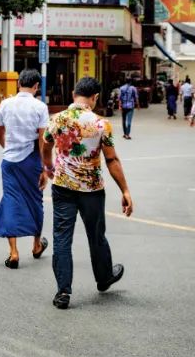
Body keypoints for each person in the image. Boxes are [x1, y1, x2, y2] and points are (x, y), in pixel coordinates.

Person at [43, 77, 133, 310]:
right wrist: (125, 190)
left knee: (62, 238)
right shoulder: (101, 124)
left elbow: (46, 145)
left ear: (74, 93)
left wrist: (49, 167)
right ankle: (103, 278)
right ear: (94, 98)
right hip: (92, 189)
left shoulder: (58, 119)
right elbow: (111, 159)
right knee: (96, 235)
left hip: (62, 187)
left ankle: (63, 292)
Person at [0, 68, 51, 269]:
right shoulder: (40, 107)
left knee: (10, 200)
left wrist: (9, 148)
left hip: (9, 161)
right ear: (36, 86)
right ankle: (36, 244)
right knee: (35, 201)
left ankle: (13, 253)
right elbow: (42, 140)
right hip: (31, 160)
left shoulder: (5, 104)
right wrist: (44, 167)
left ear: (18, 83)